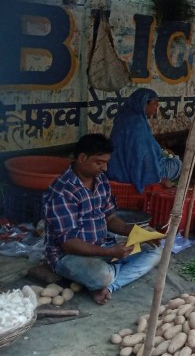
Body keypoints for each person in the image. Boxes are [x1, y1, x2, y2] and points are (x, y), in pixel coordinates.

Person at [43, 134, 163, 305]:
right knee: (102, 275)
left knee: (155, 251)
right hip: (68, 256)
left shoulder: (101, 182)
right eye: (99, 162)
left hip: (102, 246)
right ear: (82, 158)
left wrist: (140, 233)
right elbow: (68, 243)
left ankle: (108, 286)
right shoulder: (62, 191)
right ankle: (107, 278)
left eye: (106, 162)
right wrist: (110, 252)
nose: (105, 168)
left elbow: (111, 218)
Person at [106, 88, 181, 192]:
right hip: (132, 174)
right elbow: (145, 160)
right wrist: (159, 179)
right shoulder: (138, 125)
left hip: (116, 171)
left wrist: (162, 152)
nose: (156, 107)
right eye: (155, 103)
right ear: (144, 103)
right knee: (176, 163)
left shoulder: (123, 118)